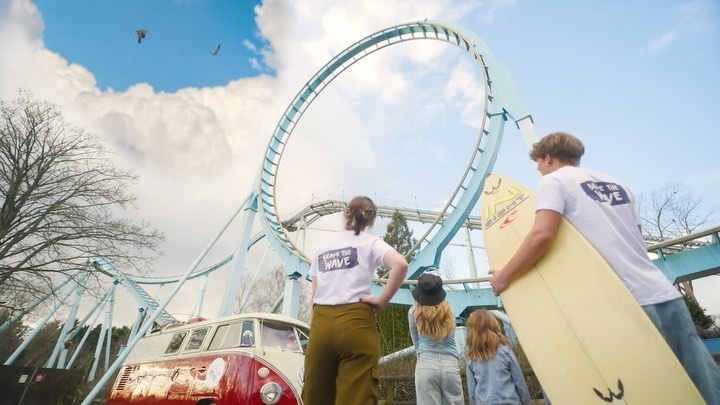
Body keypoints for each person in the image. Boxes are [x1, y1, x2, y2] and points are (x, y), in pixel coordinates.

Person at [488, 131, 720, 404]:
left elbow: (542, 235)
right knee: (702, 383)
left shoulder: (553, 182)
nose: (538, 169)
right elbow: (634, 236)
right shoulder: (617, 183)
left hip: (620, 301)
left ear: (548, 157)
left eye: (538, 163)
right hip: (661, 291)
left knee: (646, 390)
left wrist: (505, 275)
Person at [301, 195, 409, 405]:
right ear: (370, 221)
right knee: (357, 394)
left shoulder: (322, 247)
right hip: (356, 321)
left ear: (346, 215)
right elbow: (400, 264)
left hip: (322, 323)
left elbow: (314, 296)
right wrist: (381, 300)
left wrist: (317, 327)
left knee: (316, 393)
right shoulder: (371, 242)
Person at [408, 272, 465, 405]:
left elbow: (416, 342)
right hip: (450, 365)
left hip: (426, 363)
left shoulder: (413, 312)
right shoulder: (450, 313)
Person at [465, 309, 531, 405]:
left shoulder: (471, 357)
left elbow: (471, 389)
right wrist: (526, 402)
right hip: (510, 401)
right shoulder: (505, 351)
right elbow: (519, 381)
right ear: (494, 326)